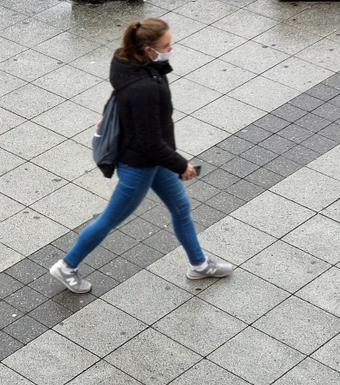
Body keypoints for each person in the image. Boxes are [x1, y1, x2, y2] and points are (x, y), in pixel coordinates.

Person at [50, 18, 232, 293]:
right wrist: (180, 164)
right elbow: (149, 142)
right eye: (166, 45)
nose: (171, 48)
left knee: (181, 207)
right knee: (110, 219)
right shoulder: (145, 87)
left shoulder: (128, 63)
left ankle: (199, 264)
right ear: (148, 49)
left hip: (152, 160)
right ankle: (66, 267)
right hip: (140, 165)